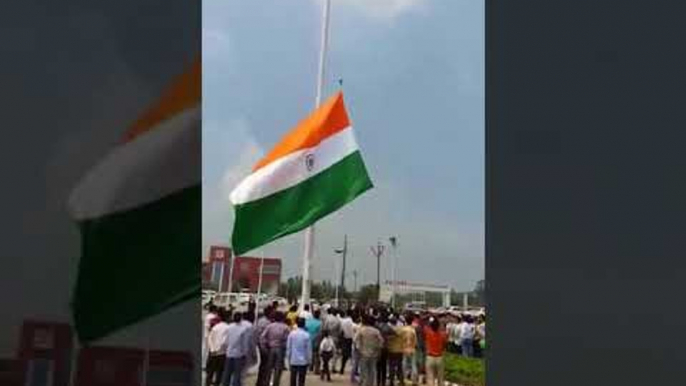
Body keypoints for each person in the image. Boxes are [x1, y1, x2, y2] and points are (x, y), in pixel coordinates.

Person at [261, 311, 290, 386]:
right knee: (278, 368)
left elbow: (263, 337)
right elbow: (287, 339)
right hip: (280, 349)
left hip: (270, 348)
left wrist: (264, 346)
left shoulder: (270, 326)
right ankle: (276, 383)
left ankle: (267, 382)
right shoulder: (285, 327)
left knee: (269, 368)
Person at [221, 312, 250, 386]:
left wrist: (225, 349)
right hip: (239, 354)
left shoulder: (229, 327)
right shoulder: (244, 329)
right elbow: (245, 343)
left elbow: (225, 341)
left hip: (229, 353)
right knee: (237, 374)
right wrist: (245, 354)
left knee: (227, 373)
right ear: (241, 319)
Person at [355, 314, 384, 386]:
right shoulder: (376, 331)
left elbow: (356, 340)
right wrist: (378, 350)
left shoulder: (361, 330)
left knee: (363, 371)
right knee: (372, 371)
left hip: (363, 353)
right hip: (374, 354)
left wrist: (359, 349)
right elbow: (381, 342)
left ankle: (363, 383)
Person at [207, 309, 230, 386]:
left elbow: (210, 339)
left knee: (211, 371)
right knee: (219, 372)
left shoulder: (215, 327)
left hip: (213, 352)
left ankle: (207, 383)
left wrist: (212, 349)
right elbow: (226, 341)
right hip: (222, 353)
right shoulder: (228, 327)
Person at [287, 318, 312, 386]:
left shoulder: (291, 334)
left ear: (297, 324)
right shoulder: (306, 335)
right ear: (304, 324)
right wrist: (309, 360)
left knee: (293, 379)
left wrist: (288, 359)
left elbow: (289, 348)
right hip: (303, 361)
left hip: (293, 360)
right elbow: (308, 350)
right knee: (301, 380)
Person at [423, 317, 447, 386]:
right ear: (438, 326)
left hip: (430, 357)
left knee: (430, 378)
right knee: (440, 378)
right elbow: (445, 344)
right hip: (439, 357)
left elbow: (425, 325)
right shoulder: (442, 335)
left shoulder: (427, 332)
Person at [254, 307, 273, 386]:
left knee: (263, 364)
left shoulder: (259, 321)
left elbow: (256, 332)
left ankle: (259, 382)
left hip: (259, 344)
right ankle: (264, 382)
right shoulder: (268, 323)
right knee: (267, 365)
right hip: (265, 346)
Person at [386, 315, 405, 386]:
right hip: (400, 350)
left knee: (391, 366)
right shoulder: (401, 329)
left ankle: (391, 381)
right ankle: (401, 380)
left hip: (391, 350)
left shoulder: (389, 330)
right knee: (400, 366)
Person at [399, 314, 418, 386]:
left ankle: (403, 379)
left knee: (404, 364)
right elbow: (415, 341)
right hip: (412, 349)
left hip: (404, 349)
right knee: (413, 365)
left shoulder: (403, 329)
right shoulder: (413, 330)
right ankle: (414, 380)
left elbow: (400, 339)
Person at [306, 309, 323, 374]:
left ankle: (310, 367)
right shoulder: (320, 323)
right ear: (319, 315)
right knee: (316, 355)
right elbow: (320, 333)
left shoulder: (308, 322)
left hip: (308, 340)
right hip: (316, 340)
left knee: (310, 354)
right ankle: (316, 369)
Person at [339, 310, 355, 374]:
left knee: (344, 355)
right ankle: (353, 370)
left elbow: (341, 331)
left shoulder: (343, 321)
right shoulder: (353, 323)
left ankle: (342, 368)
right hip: (352, 339)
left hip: (345, 339)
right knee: (352, 356)